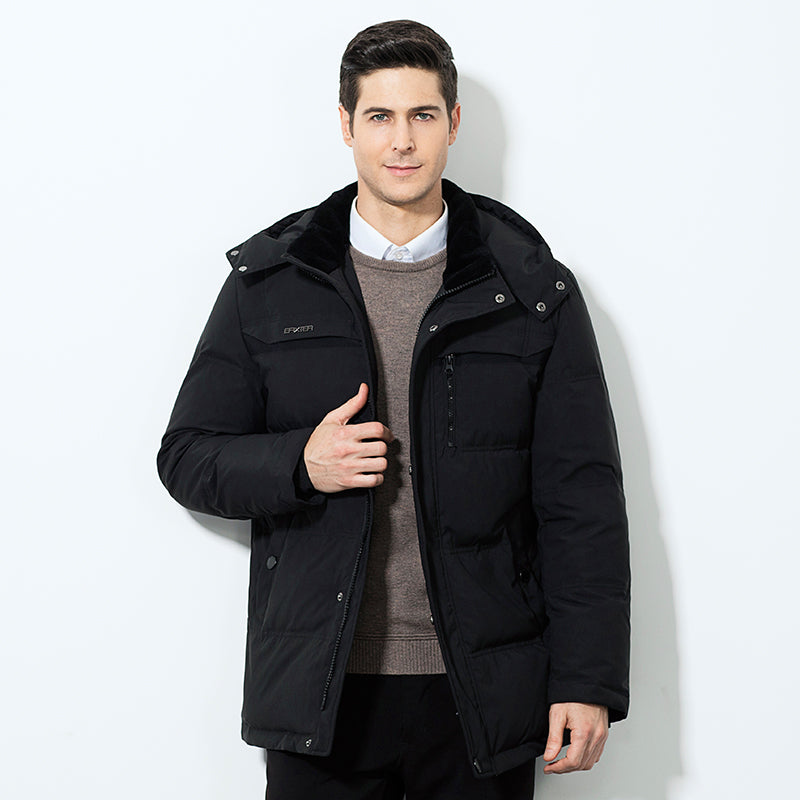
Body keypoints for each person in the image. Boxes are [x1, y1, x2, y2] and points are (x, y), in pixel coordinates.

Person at [157, 19, 630, 800]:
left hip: (480, 695)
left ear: (453, 122)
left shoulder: (531, 290)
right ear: (347, 125)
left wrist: (587, 679)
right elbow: (187, 456)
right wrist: (300, 464)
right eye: (379, 116)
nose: (402, 141)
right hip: (321, 692)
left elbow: (582, 502)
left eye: (422, 115)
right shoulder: (271, 282)